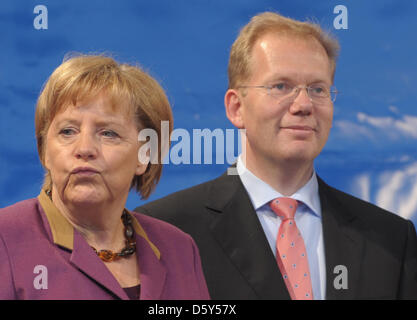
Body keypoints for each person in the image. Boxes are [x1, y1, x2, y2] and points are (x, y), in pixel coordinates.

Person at [135, 12, 417, 299]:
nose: (303, 104)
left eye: (318, 89)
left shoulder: (392, 239)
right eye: (281, 86)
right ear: (236, 108)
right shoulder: (164, 231)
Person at [0, 54, 210, 300]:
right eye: (67, 131)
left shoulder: (179, 249)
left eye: (108, 133)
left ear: (144, 155)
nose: (84, 148)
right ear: (44, 152)